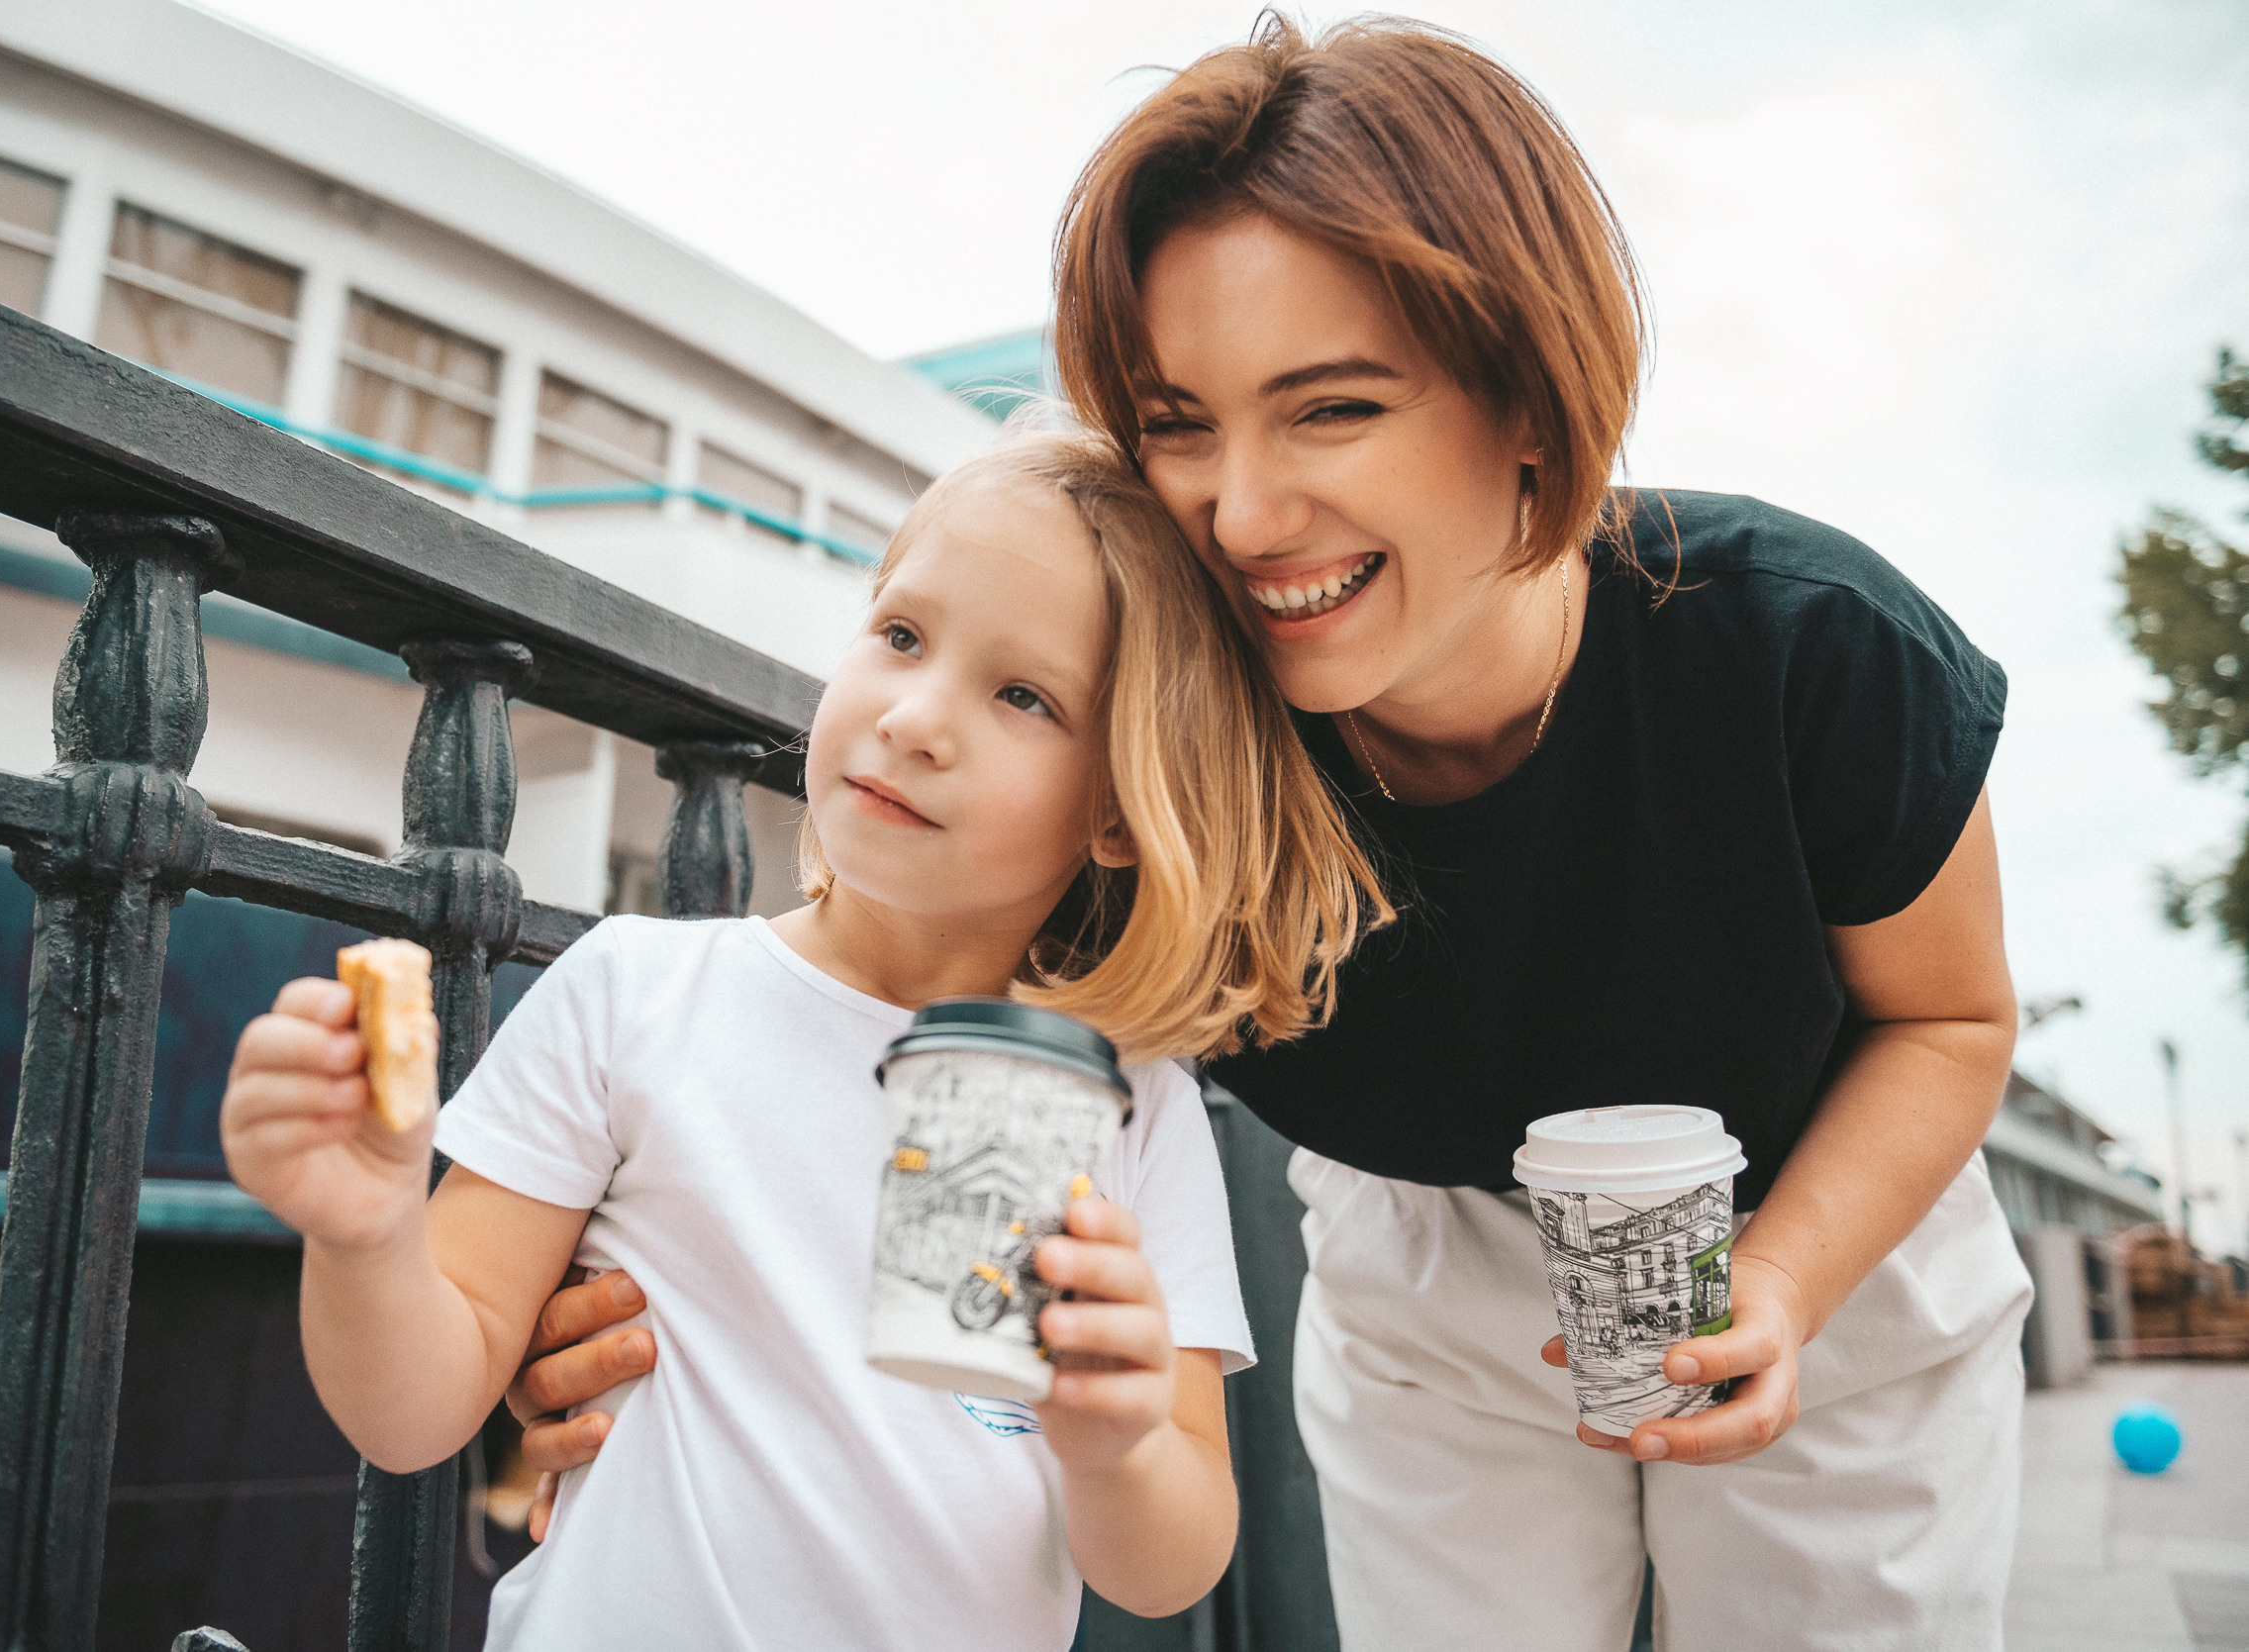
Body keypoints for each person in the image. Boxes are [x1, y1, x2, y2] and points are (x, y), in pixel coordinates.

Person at [511, 18, 2034, 1652]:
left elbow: (1947, 1017)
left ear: (1527, 392)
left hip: (1828, 1219)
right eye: (1180, 421)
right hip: (1420, 1258)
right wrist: (596, 1317)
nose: (1241, 514)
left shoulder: (1809, 647)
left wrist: (1786, 1280)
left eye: (1329, 411)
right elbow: (857, 1020)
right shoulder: (1144, 742)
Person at [218, 429, 1385, 1650]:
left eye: (1024, 695)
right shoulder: (629, 991)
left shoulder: (1134, 1104)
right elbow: (414, 1413)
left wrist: (1122, 1444)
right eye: (900, 635)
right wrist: (363, 1234)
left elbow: (1167, 1568)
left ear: (1117, 808)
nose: (917, 718)